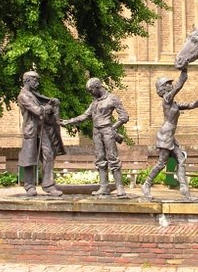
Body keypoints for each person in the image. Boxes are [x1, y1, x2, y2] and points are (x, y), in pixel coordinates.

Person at [142, 67, 198, 200]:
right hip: (165, 135)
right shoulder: (167, 98)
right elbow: (178, 87)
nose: (170, 85)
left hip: (170, 135)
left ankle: (185, 191)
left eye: (170, 83)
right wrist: (184, 73)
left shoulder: (172, 103)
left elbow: (189, 105)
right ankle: (146, 185)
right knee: (161, 163)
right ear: (163, 88)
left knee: (181, 160)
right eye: (168, 84)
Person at [62, 77, 129, 197]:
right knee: (100, 159)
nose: (90, 93)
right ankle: (104, 187)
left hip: (108, 130)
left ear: (98, 87)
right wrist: (69, 122)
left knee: (112, 158)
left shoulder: (112, 98)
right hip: (96, 132)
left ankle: (120, 188)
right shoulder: (94, 102)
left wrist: (113, 127)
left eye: (91, 90)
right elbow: (84, 116)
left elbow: (124, 116)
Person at [17, 70, 65, 198]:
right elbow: (37, 110)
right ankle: (29, 186)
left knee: (49, 153)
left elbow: (43, 105)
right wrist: (46, 108)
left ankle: (48, 185)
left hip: (42, 130)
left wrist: (51, 103)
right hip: (31, 130)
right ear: (27, 80)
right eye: (35, 80)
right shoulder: (24, 95)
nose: (37, 83)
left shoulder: (34, 94)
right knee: (29, 158)